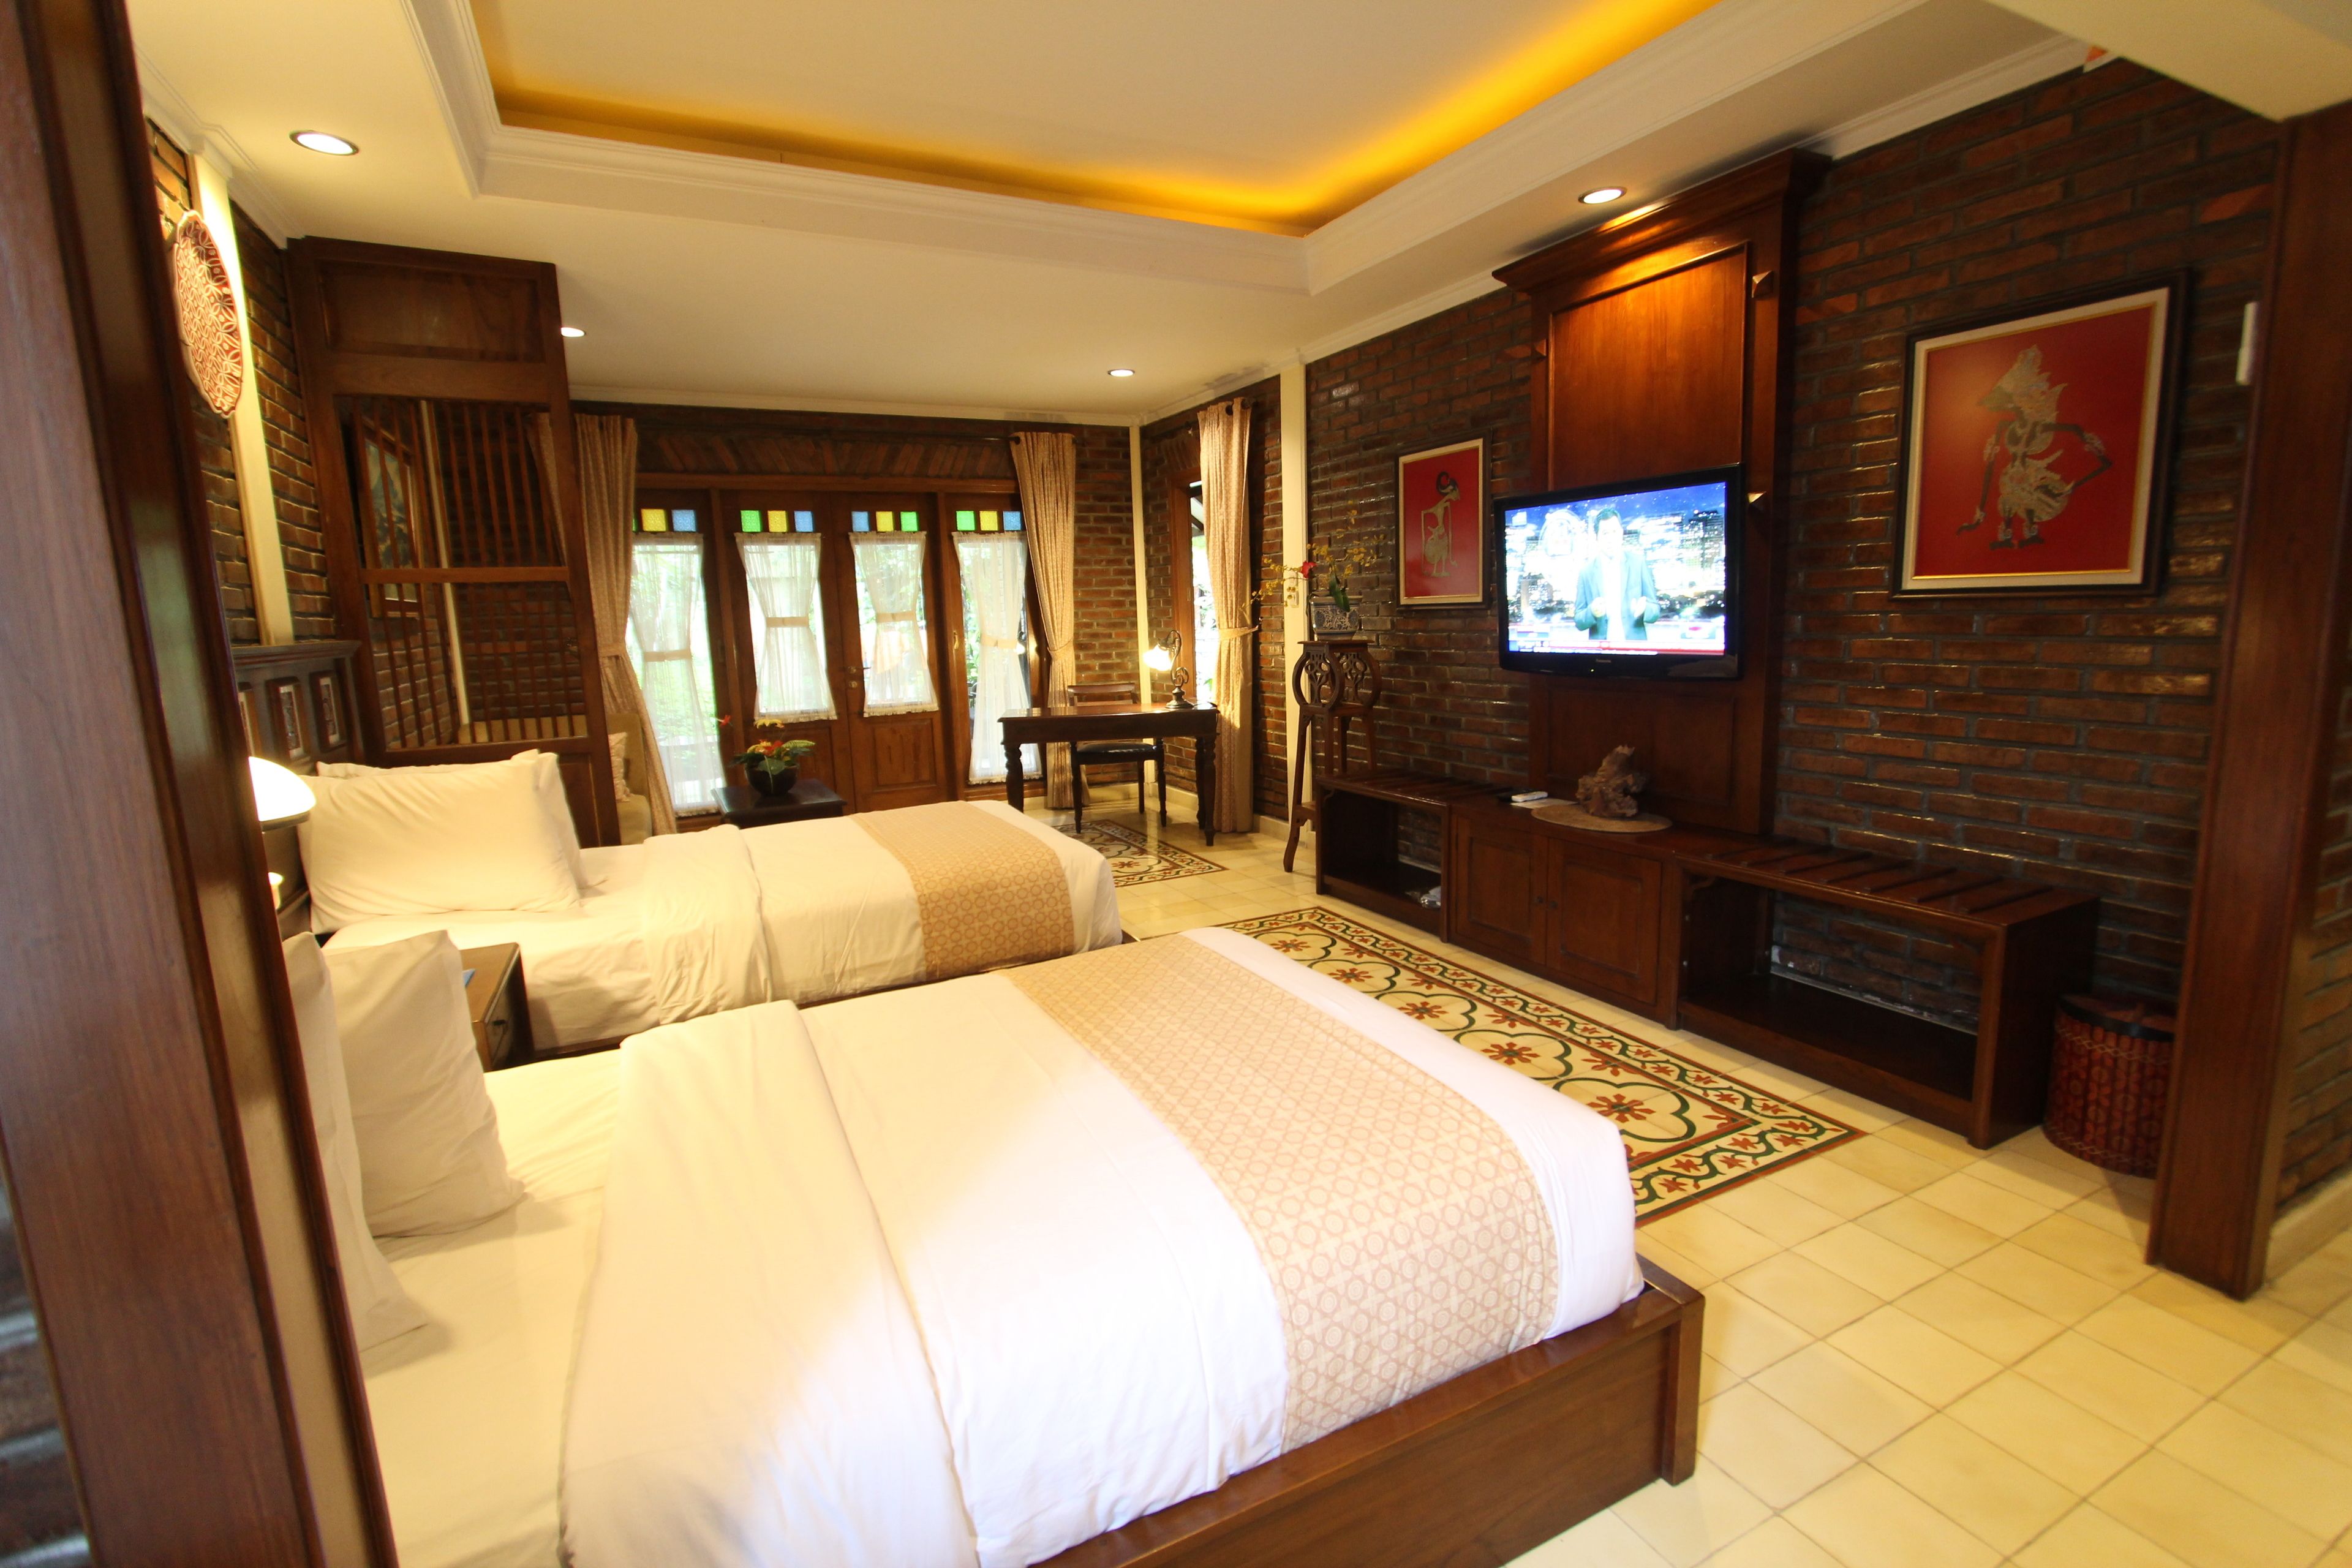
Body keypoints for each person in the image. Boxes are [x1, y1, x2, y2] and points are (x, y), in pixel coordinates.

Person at [1572, 508, 1659, 644]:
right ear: (1597, 537)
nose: (1610, 539)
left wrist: (1645, 609)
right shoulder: (1586, 572)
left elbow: (1655, 611)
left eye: (1615, 532)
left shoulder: (1638, 563)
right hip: (1600, 652)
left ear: (1621, 533)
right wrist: (1592, 612)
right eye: (1605, 533)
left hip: (1635, 652)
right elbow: (1579, 621)